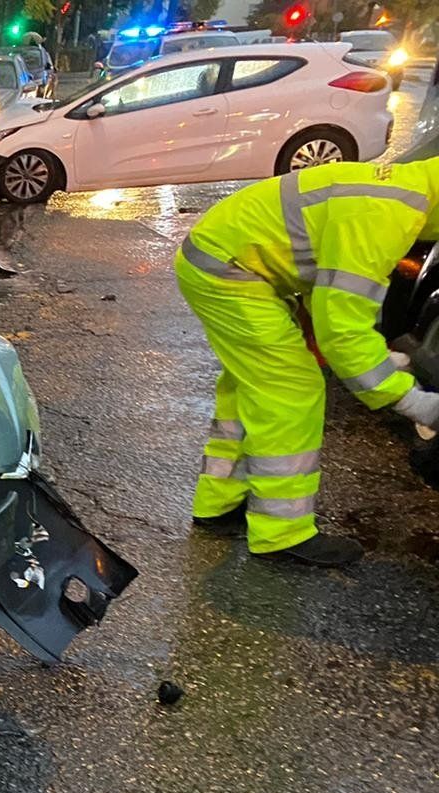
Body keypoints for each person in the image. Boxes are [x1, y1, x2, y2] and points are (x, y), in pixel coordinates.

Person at [175, 158, 439, 566]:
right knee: (291, 389)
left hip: (219, 259)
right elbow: (342, 329)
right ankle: (281, 534)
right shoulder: (390, 214)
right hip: (231, 272)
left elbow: (330, 291)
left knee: (251, 388)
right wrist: (414, 402)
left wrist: (377, 357)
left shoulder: (399, 189)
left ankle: (219, 505)